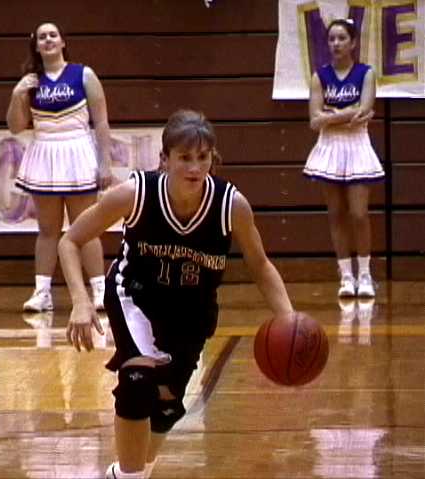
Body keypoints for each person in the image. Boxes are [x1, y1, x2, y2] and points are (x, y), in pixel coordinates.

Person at [58, 109, 294, 479]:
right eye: (184, 157)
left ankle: (127, 473)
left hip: (192, 313)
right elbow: (70, 240)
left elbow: (260, 265)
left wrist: (288, 318)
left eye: (202, 157)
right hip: (135, 297)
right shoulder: (135, 194)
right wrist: (80, 302)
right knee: (138, 383)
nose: (194, 167)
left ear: (213, 159)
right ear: (164, 159)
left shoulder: (231, 206)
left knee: (166, 407)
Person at [6, 21, 114, 312]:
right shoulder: (31, 82)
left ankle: (100, 290)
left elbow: (101, 122)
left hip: (78, 151)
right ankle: (42, 293)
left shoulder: (84, 74)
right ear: (36, 45)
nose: (48, 40)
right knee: (47, 230)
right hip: (44, 153)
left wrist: (105, 163)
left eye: (53, 35)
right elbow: (15, 127)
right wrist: (17, 94)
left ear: (63, 41)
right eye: (42, 37)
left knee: (86, 227)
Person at [303, 18, 384, 298]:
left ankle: (365, 274)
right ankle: (346, 276)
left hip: (358, 145)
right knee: (336, 214)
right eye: (331, 39)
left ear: (353, 43)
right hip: (330, 147)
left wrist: (330, 115)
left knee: (359, 214)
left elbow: (366, 109)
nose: (335, 44)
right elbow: (314, 121)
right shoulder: (320, 76)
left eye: (341, 38)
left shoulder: (366, 73)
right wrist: (347, 115)